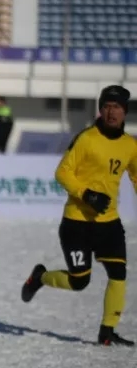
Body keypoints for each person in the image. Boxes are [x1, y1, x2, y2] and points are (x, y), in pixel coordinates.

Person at [21, 85, 137, 347]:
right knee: (79, 281)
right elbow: (62, 172)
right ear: (100, 108)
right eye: (107, 106)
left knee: (118, 273)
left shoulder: (130, 145)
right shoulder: (86, 138)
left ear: (125, 112)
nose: (111, 112)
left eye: (116, 107)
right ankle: (39, 277)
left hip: (109, 223)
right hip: (77, 224)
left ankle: (107, 331)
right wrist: (87, 195)